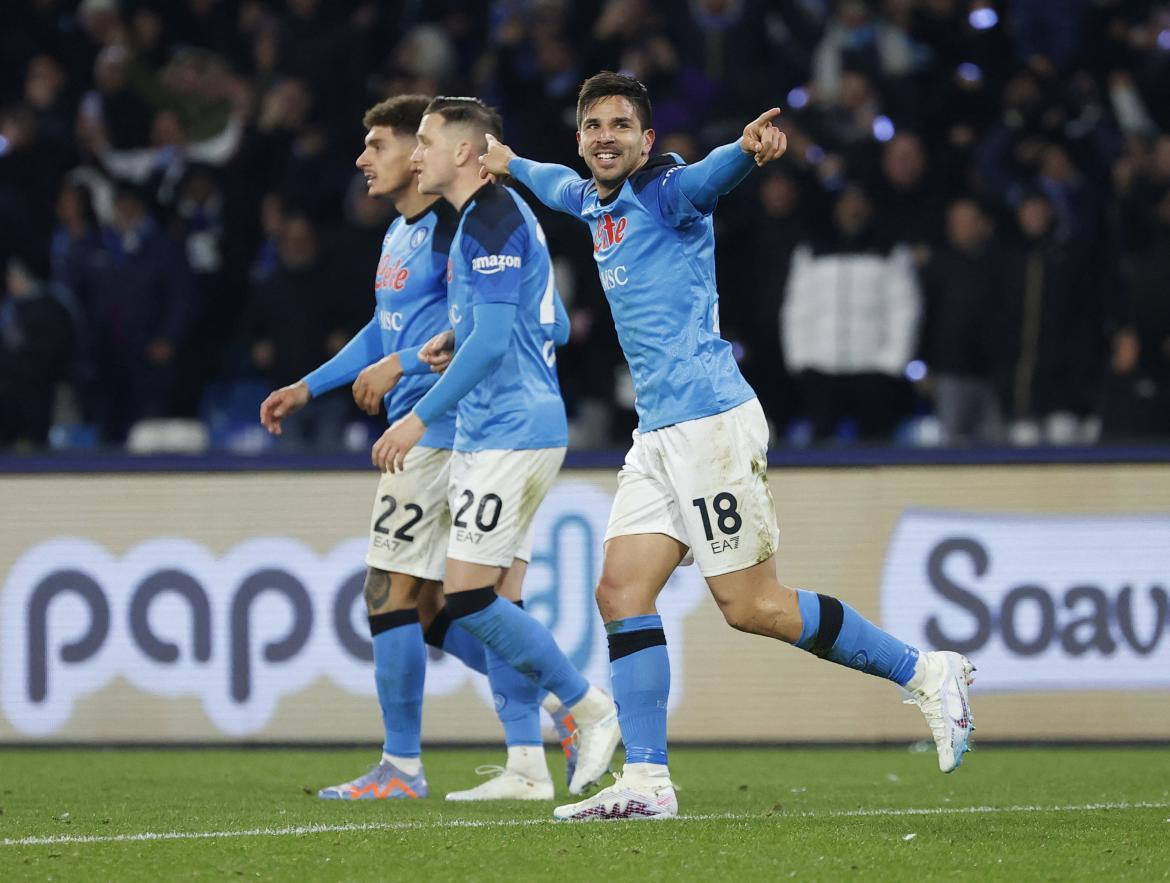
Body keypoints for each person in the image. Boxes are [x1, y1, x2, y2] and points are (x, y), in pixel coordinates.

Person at [479, 71, 977, 821]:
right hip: (658, 434)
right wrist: (508, 161)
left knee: (753, 605)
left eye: (620, 125)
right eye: (592, 127)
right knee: (620, 591)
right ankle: (647, 779)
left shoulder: (667, 190)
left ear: (648, 142)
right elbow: (552, 184)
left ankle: (926, 671)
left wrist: (746, 150)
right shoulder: (590, 199)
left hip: (711, 425)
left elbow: (710, 176)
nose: (605, 137)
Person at [257, 95, 577, 802]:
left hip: (442, 429)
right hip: (428, 428)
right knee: (436, 609)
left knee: (391, 594)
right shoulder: (402, 234)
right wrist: (311, 386)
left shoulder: (458, 225)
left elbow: (510, 324)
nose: (365, 158)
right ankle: (555, 705)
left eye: (381, 143)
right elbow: (383, 329)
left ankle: (405, 764)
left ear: (420, 150)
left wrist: (407, 375)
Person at [371, 96, 622, 799]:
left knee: (465, 595)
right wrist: (459, 336)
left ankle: (587, 705)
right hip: (512, 428)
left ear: (465, 153)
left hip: (508, 432)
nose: (413, 153)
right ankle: (524, 766)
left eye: (424, 140)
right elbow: (552, 327)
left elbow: (492, 342)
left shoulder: (489, 217)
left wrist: (419, 417)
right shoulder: (492, 219)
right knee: (499, 603)